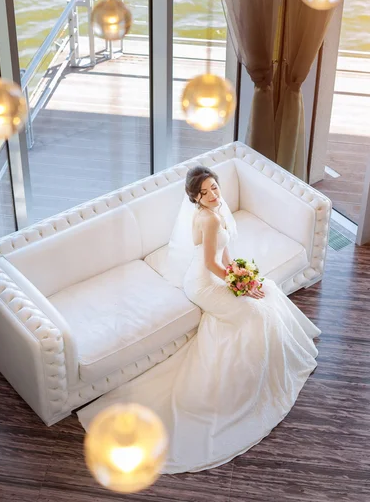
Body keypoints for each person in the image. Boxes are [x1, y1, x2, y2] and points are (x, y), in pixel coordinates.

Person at [79, 165, 320, 473]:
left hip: (220, 276)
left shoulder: (220, 210)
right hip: (203, 283)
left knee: (269, 290)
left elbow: (226, 256)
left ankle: (280, 354)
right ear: (194, 198)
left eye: (214, 188)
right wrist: (240, 286)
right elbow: (210, 263)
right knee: (252, 313)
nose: (211, 195)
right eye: (203, 193)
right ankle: (245, 382)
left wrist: (246, 275)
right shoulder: (206, 218)